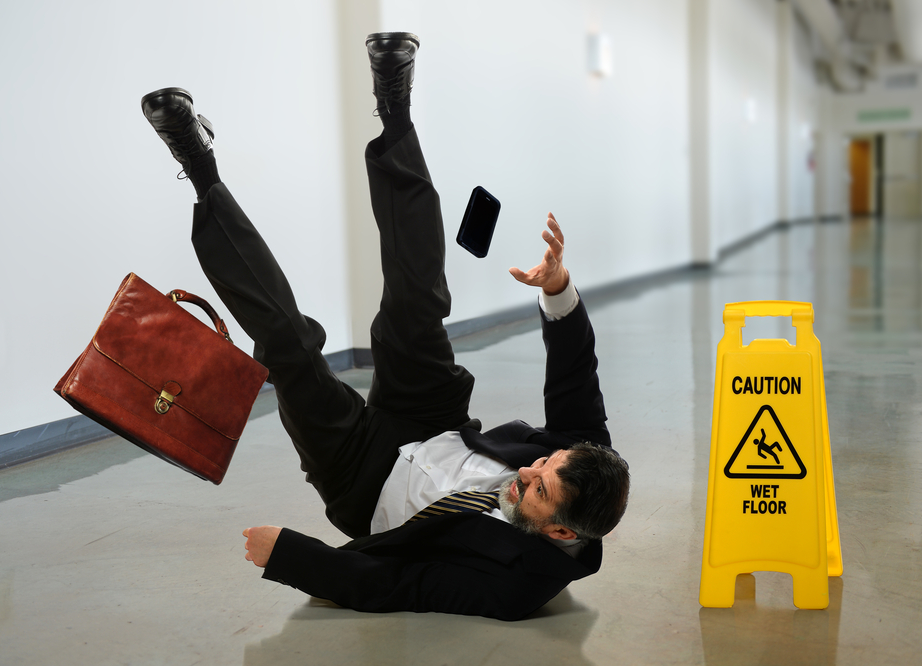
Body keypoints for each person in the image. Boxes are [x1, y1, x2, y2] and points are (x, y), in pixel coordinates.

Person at [140, 32, 629, 621]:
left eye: (539, 490)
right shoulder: (587, 458)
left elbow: (401, 586)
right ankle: (395, 110)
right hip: (433, 419)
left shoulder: (515, 587)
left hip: (360, 479)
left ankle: (200, 171)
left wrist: (292, 558)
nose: (528, 470)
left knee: (287, 350)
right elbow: (575, 373)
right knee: (416, 297)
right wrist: (557, 286)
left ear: (557, 534)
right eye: (544, 466)